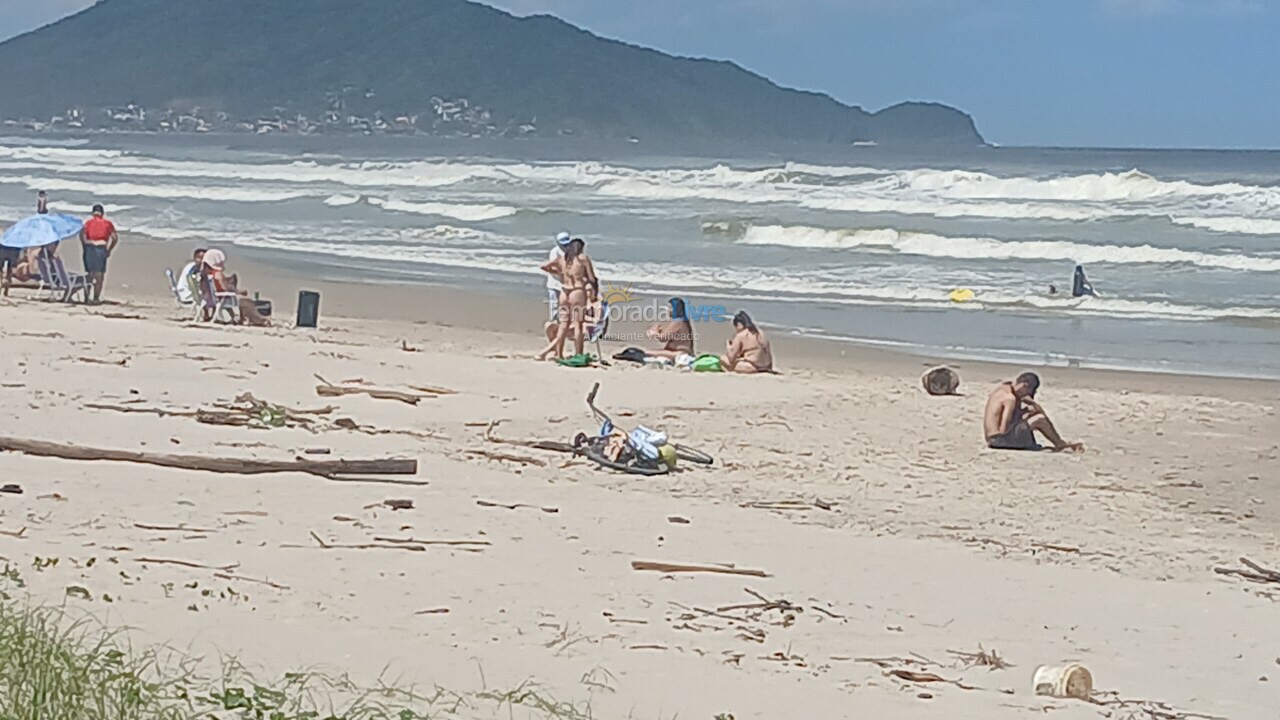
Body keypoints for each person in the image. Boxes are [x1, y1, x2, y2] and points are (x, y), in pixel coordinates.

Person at [983, 372, 1083, 452]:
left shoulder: (1003, 389)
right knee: (1040, 419)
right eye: (1028, 392)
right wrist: (1026, 415)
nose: (1026, 396)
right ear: (1024, 386)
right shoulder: (1010, 399)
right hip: (999, 440)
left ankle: (1060, 443)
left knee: (1032, 414)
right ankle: (1060, 444)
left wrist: (1025, 412)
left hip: (991, 438)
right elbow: (1003, 429)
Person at [537, 237, 598, 361]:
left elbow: (544, 266)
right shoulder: (582, 259)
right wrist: (593, 292)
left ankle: (559, 354)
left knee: (563, 325)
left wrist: (559, 273)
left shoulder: (563, 259)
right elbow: (592, 278)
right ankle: (578, 354)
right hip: (577, 291)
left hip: (564, 292)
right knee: (578, 325)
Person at [200, 248, 271, 326]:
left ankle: (237, 318)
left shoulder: (206, 273)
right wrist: (238, 291)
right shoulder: (217, 273)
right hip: (222, 297)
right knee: (245, 302)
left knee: (243, 300)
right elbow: (224, 287)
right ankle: (259, 320)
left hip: (216, 297)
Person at [79, 204, 118, 304]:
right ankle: (96, 298)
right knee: (99, 275)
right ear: (102, 213)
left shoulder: (88, 223)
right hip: (101, 248)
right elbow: (114, 238)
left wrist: (84, 246)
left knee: (89, 274)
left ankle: (86, 297)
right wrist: (109, 249)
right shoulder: (107, 223)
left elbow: (82, 235)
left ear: (93, 213)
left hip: (89, 247)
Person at [546, 232, 571, 321]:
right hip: (554, 283)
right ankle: (554, 322)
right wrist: (562, 274)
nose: (565, 246)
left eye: (567, 244)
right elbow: (552, 268)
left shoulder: (572, 251)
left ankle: (565, 322)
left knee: (566, 304)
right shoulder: (555, 252)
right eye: (563, 244)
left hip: (566, 284)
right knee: (554, 305)